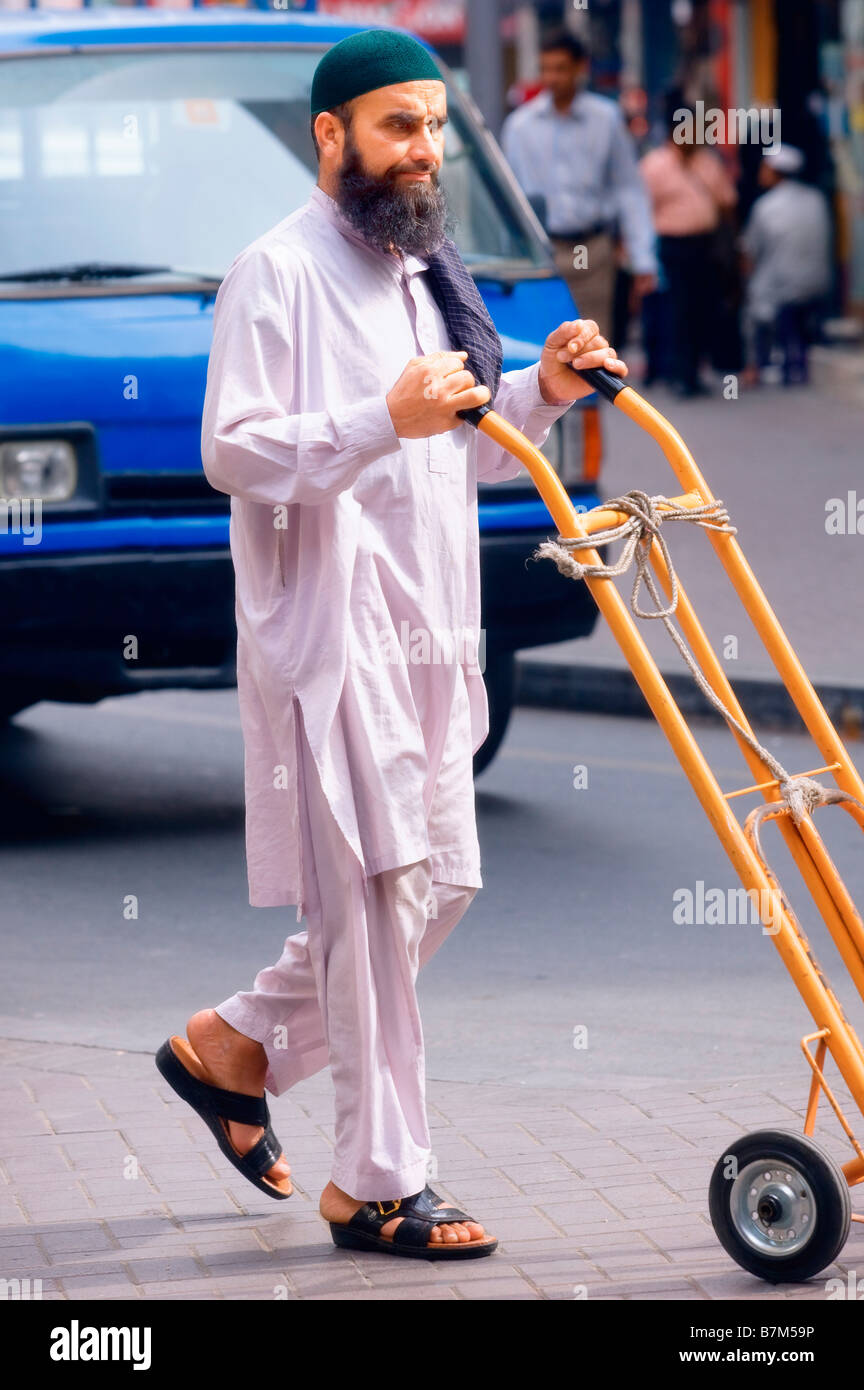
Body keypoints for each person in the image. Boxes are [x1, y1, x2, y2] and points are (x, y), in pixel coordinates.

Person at [156, 29, 629, 1261]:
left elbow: (454, 438)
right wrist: (382, 414)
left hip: (432, 628)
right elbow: (233, 449)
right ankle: (377, 1183)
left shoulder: (422, 270)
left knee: (442, 883)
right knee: (372, 905)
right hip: (333, 637)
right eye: (397, 128)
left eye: (431, 127)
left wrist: (545, 391)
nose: (423, 151)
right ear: (332, 136)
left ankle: (234, 1045)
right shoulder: (278, 271)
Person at [501, 29, 658, 340]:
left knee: (594, 347)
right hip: (542, 253)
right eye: (545, 68)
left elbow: (628, 188)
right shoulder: (520, 126)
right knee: (544, 348)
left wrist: (643, 258)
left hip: (594, 251)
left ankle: (594, 392)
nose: (552, 77)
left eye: (560, 68)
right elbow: (509, 197)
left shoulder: (607, 119)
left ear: (579, 68)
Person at [639, 99, 738, 395]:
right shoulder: (654, 165)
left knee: (701, 310)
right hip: (671, 248)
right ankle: (675, 373)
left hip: (704, 248)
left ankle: (692, 372)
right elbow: (641, 211)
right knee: (673, 311)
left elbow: (727, 203)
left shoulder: (709, 162)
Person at [741, 143, 832, 386]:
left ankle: (758, 365)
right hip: (818, 281)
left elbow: (751, 251)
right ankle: (795, 364)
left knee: (753, 303)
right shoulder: (817, 199)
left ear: (775, 171)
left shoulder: (765, 207)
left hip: (781, 287)